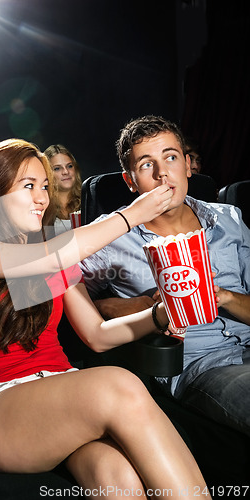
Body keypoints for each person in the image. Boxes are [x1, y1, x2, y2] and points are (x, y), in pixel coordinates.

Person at [0, 138, 210, 498]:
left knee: (120, 477)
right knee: (119, 385)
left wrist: (159, 316)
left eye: (45, 187)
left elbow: (97, 334)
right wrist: (132, 215)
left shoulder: (50, 249)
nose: (42, 197)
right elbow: (53, 255)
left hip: (59, 395)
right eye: (28, 186)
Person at [80, 115, 250, 438]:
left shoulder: (229, 219)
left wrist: (224, 296)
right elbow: (65, 288)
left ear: (188, 165)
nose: (162, 174)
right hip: (201, 365)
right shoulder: (112, 237)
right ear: (130, 181)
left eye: (171, 158)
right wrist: (136, 306)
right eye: (147, 165)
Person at [44, 144, 82, 235]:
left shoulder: (89, 202)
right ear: (46, 173)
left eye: (69, 166)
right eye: (57, 168)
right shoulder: (42, 209)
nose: (66, 172)